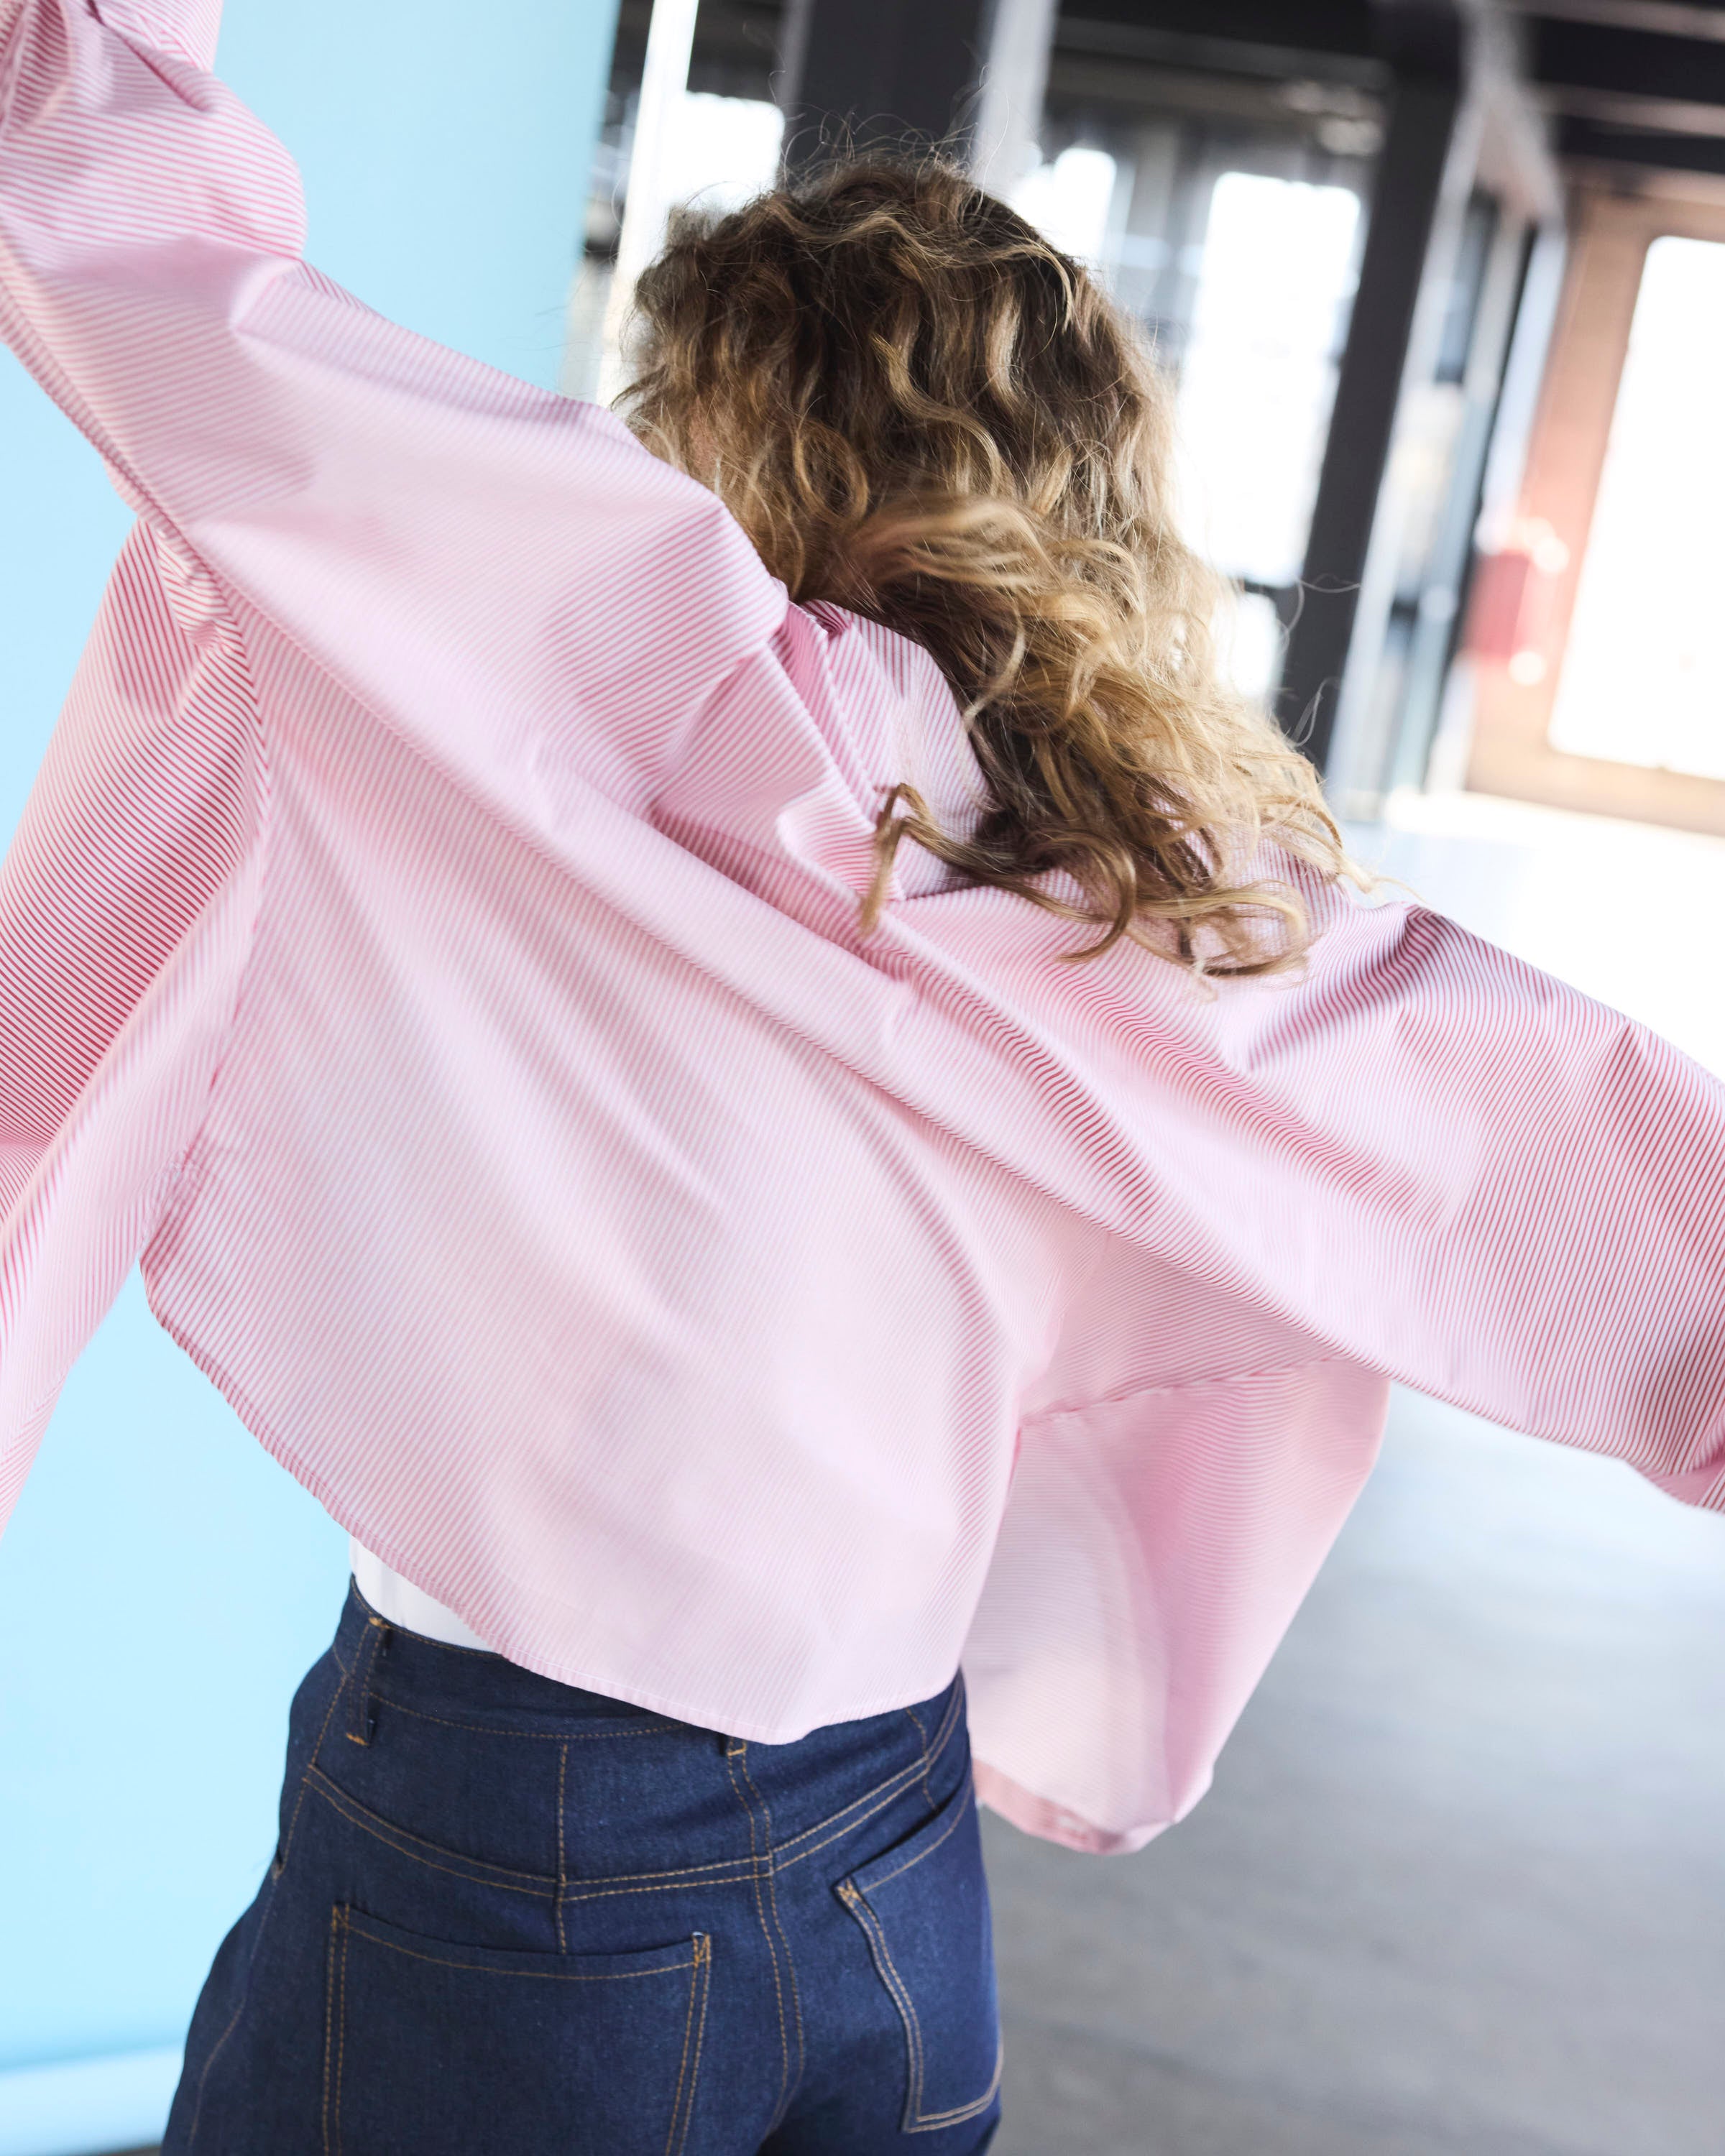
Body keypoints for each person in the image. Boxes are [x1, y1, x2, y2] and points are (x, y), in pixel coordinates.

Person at [1, 2, 1722, 2150]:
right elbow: (1527, 1119)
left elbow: (163, 294)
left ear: (707, 426)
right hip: (889, 1855)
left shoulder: (521, 652)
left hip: (523, 1821)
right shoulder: (1142, 880)